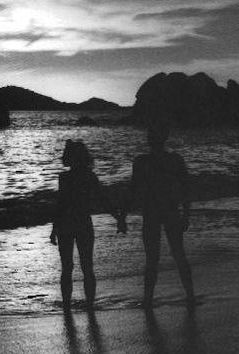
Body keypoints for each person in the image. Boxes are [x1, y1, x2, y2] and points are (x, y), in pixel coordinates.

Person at [121, 121, 195, 309]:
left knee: (168, 256)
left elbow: (185, 189)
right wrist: (122, 216)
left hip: (164, 212)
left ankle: (158, 299)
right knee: (163, 257)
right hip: (157, 213)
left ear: (162, 137)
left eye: (152, 134)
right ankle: (154, 299)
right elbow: (133, 190)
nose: (150, 137)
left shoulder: (167, 160)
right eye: (150, 134)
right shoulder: (146, 161)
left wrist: (186, 214)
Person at [50, 140, 122, 310]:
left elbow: (60, 205)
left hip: (68, 224)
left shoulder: (66, 178)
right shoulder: (88, 176)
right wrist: (118, 217)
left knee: (70, 267)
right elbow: (103, 200)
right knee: (84, 266)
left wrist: (54, 228)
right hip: (81, 223)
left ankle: (69, 306)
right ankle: (87, 305)